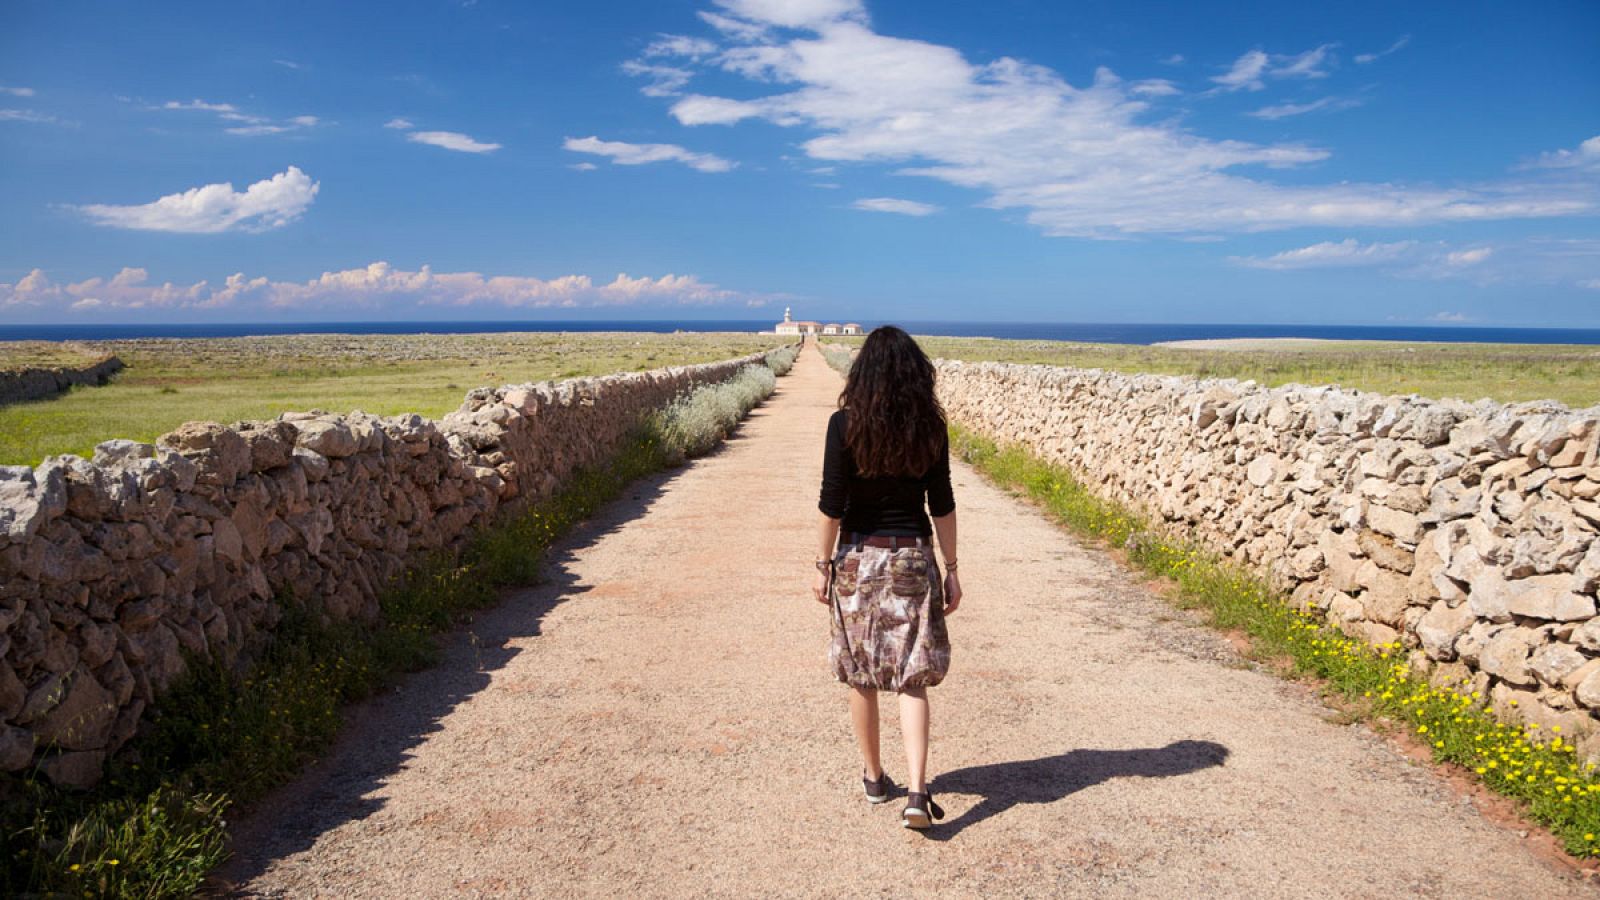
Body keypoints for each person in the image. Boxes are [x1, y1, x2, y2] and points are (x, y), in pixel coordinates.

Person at [812, 325, 962, 830]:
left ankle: (875, 778)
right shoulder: (930, 427)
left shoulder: (843, 424)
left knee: (861, 673)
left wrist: (821, 565)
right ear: (915, 375)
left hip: (856, 559)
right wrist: (954, 569)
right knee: (911, 675)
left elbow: (831, 505)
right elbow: (941, 504)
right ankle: (918, 793)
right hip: (913, 560)